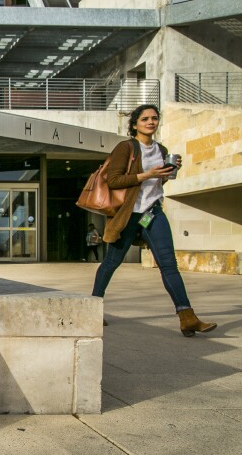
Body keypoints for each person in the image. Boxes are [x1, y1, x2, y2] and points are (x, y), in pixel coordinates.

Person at [92, 104, 217, 337]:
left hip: (152, 213)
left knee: (168, 263)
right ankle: (92, 309)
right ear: (135, 124)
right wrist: (147, 174)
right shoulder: (126, 147)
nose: (151, 122)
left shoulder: (161, 149)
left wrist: (167, 173)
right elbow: (114, 181)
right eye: (145, 119)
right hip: (128, 214)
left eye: (155, 118)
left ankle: (187, 317)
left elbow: (157, 185)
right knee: (112, 262)